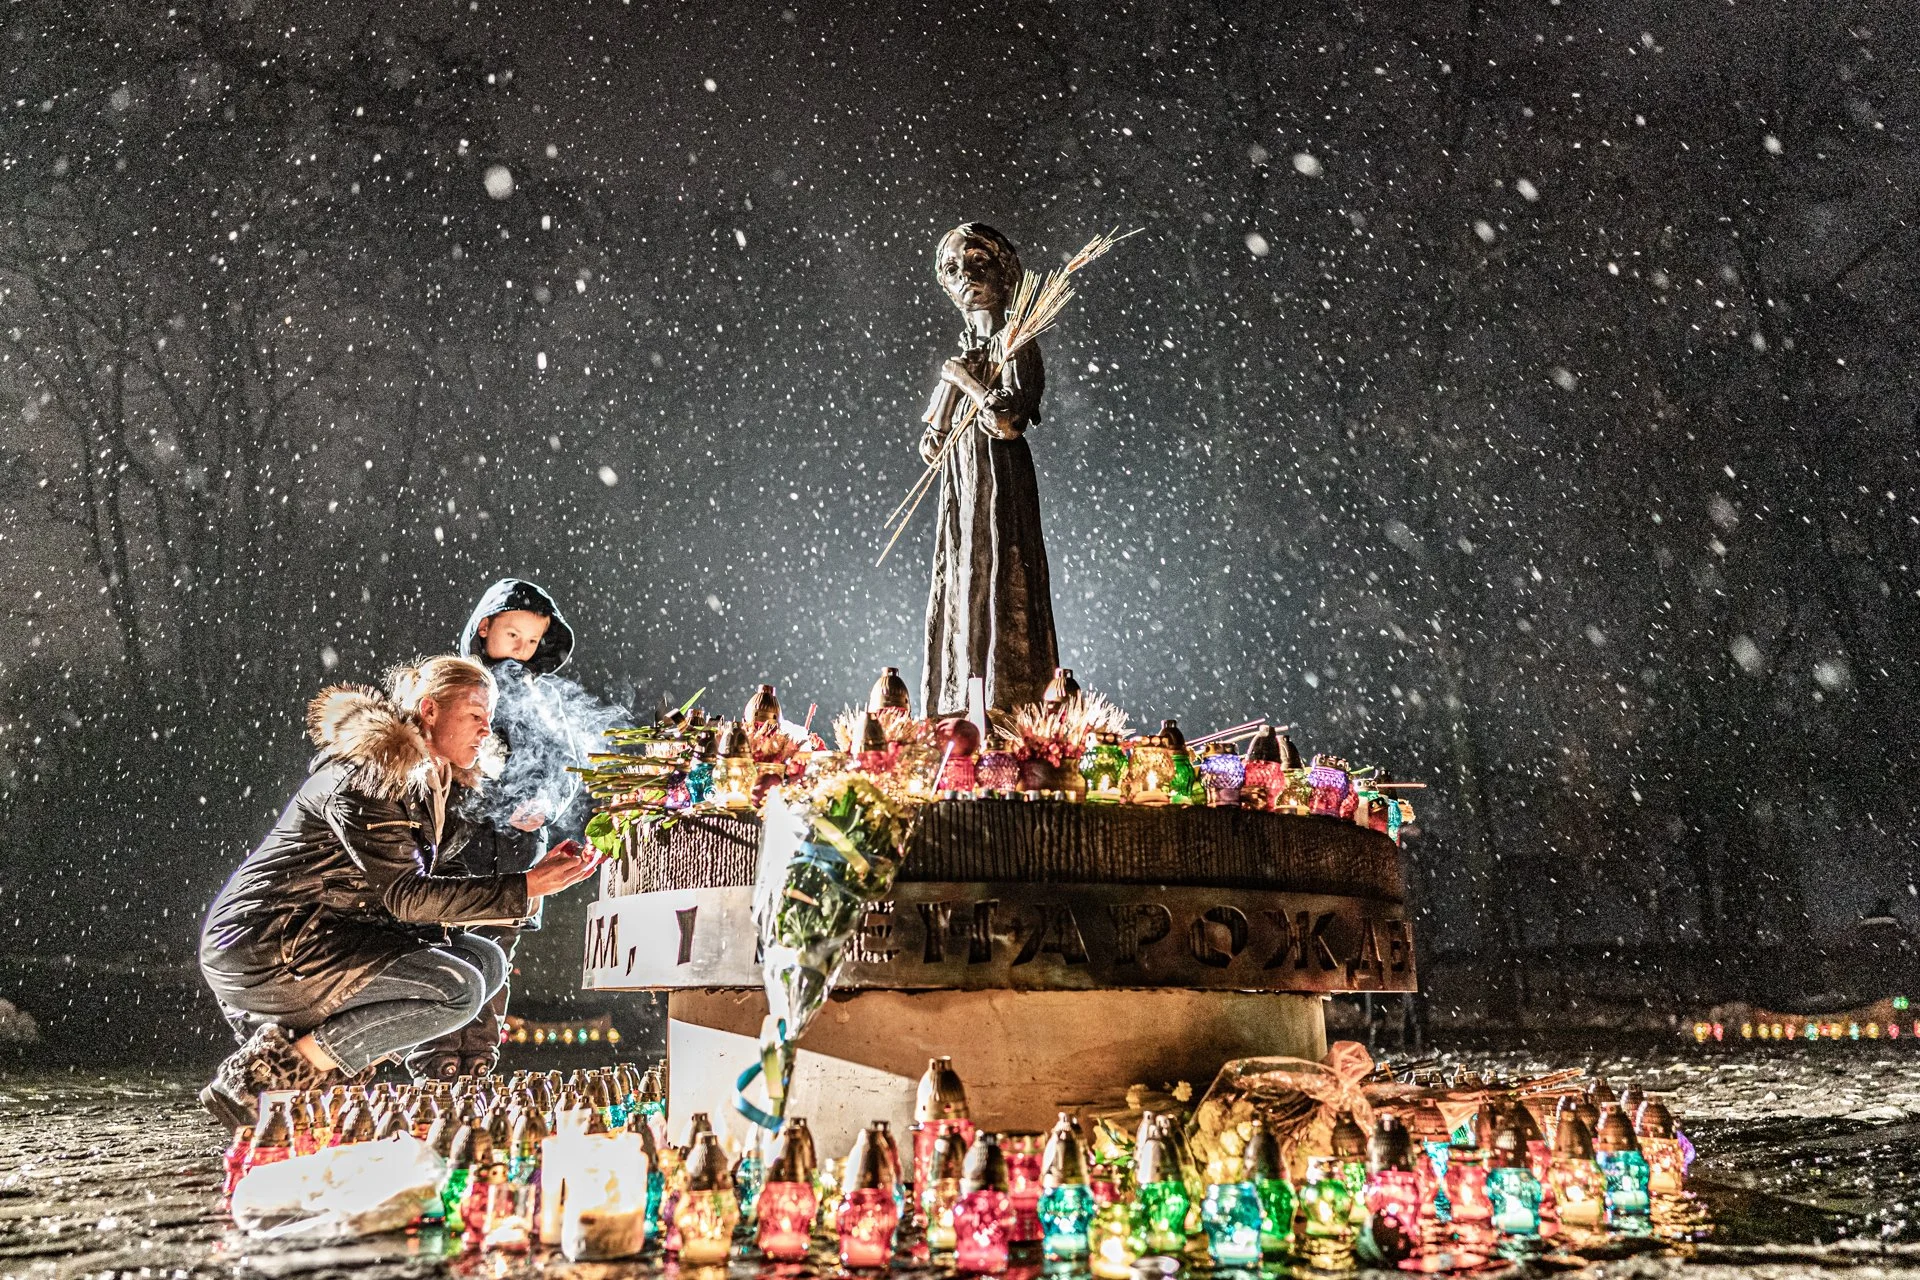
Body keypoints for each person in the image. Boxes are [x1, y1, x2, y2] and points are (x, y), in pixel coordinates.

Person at [196, 654, 602, 1129]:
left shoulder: (435, 786)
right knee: (457, 988)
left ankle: (312, 1064)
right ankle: (262, 1077)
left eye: (488, 720)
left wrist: (528, 867)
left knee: (484, 961)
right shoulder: (372, 778)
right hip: (269, 944)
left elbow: (423, 890)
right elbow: (407, 897)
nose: (485, 732)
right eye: (475, 716)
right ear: (429, 711)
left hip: (326, 936)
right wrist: (524, 886)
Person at [406, 578, 580, 1083]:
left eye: (530, 642)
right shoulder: (456, 688)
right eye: (512, 636)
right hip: (456, 860)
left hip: (518, 859)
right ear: (484, 629)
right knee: (442, 959)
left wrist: (544, 804)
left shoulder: (539, 704)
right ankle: (435, 1062)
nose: (521, 650)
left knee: (495, 967)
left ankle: (478, 1059)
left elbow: (563, 767)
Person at [919, 222, 1060, 715]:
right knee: (960, 576)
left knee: (1001, 579)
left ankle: (1005, 704)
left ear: (1004, 275)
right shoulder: (969, 352)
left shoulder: (1017, 342)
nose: (966, 278)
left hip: (1000, 481)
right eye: (953, 269)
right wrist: (941, 417)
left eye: (979, 264)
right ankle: (955, 702)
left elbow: (1008, 420)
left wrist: (965, 381)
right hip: (964, 485)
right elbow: (938, 438)